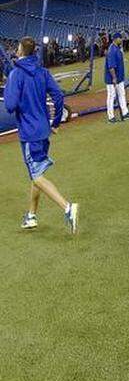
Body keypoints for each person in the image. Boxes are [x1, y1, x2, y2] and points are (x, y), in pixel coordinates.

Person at [5, 36, 78, 234]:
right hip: (44, 130)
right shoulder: (42, 72)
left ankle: (67, 208)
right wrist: (55, 123)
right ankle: (31, 216)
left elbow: (10, 106)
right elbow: (58, 96)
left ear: (20, 50)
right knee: (36, 174)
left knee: (37, 177)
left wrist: (19, 97)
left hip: (29, 133)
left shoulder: (16, 74)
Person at [104, 32, 129, 122]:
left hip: (119, 77)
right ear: (116, 39)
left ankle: (125, 112)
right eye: (120, 38)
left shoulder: (117, 49)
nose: (122, 40)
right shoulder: (112, 50)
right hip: (112, 79)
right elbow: (111, 67)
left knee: (121, 94)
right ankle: (111, 116)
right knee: (111, 96)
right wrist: (114, 78)